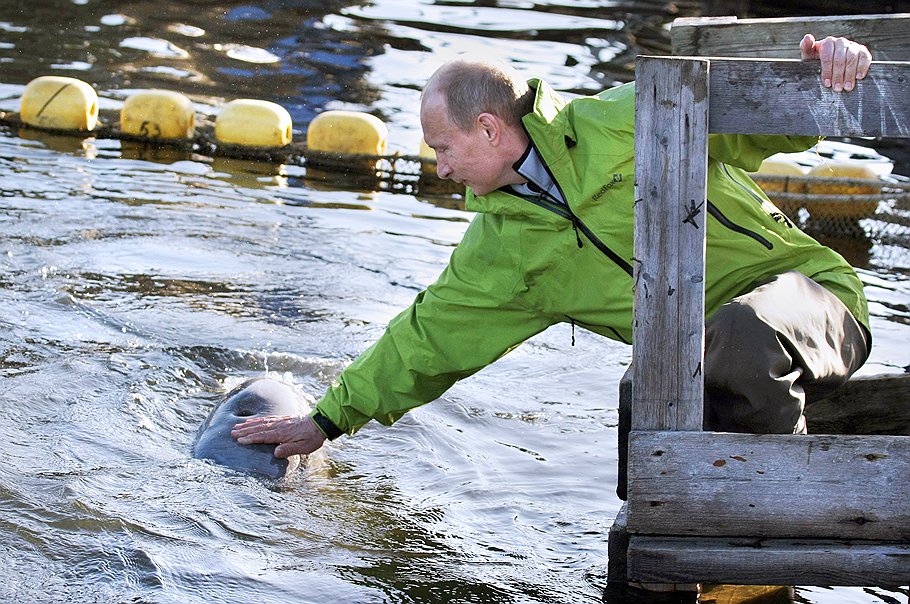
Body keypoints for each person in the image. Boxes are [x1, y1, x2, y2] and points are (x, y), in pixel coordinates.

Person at [232, 34, 873, 456]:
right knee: (643, 390)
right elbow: (425, 341)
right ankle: (656, 540)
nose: (441, 168)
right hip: (697, 347)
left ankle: (782, 501)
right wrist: (324, 422)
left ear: (487, 128)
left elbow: (763, 125)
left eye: (443, 148)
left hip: (813, 302)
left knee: (737, 333)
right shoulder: (501, 249)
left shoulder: (628, 117)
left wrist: (825, 69)